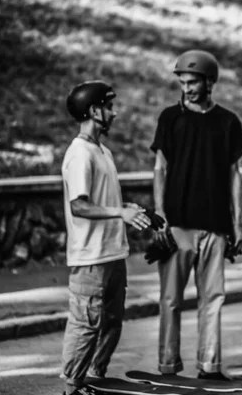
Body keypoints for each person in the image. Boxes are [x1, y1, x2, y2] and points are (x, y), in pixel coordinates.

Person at [60, 80, 165, 395]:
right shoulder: (80, 153)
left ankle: (95, 380)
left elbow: (99, 200)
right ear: (94, 111)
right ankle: (72, 387)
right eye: (109, 106)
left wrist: (130, 209)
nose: (114, 113)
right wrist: (120, 214)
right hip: (91, 257)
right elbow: (79, 206)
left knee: (111, 323)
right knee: (86, 325)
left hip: (112, 253)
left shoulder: (101, 150)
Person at [150, 49, 242, 380]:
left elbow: (235, 173)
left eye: (193, 82)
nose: (187, 88)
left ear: (209, 82)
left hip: (216, 225)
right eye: (183, 82)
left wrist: (237, 222)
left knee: (213, 299)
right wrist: (160, 215)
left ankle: (209, 365)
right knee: (170, 300)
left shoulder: (228, 122)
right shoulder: (169, 118)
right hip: (176, 224)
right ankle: (167, 365)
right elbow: (159, 169)